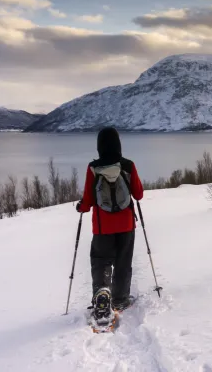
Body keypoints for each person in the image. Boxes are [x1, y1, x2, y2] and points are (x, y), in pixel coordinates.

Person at [76, 127, 144, 313]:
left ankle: (102, 294)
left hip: (102, 226)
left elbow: (89, 199)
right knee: (123, 262)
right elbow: (138, 194)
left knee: (101, 261)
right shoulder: (128, 165)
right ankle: (120, 299)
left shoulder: (94, 168)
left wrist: (81, 207)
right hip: (126, 225)